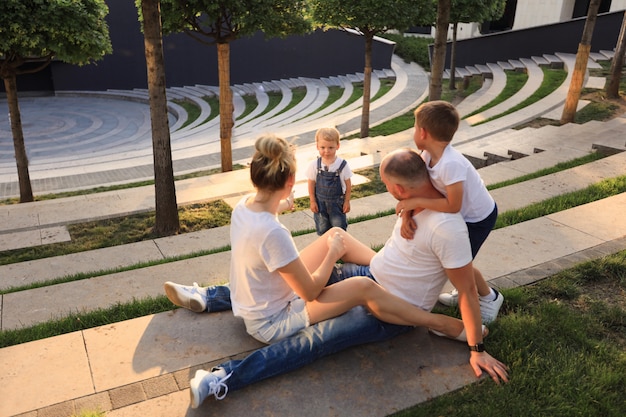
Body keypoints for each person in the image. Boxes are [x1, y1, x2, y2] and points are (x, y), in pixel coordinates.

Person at [164, 147, 509, 409]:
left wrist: (475, 344)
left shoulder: (447, 228)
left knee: (315, 339)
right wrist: (413, 206)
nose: (388, 193)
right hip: (374, 271)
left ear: (399, 189)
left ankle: (223, 377)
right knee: (329, 241)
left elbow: (463, 282)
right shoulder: (420, 195)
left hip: (390, 310)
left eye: (388, 187)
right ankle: (211, 297)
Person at [395, 101, 503, 323]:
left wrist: (413, 201)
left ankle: (489, 297)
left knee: (458, 264)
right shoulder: (425, 155)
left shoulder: (451, 164)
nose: (414, 132)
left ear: (423, 133)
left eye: (415, 128)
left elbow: (453, 204)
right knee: (452, 263)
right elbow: (421, 189)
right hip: (461, 214)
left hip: (478, 218)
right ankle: (464, 289)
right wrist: (407, 213)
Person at [306, 127, 352, 235]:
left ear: (338, 146)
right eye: (323, 147)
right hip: (320, 204)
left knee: (339, 228)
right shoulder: (314, 165)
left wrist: (347, 201)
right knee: (322, 228)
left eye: (331, 147)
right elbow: (311, 183)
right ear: (317, 146)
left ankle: (340, 246)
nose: (326, 151)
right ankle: (326, 247)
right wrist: (312, 200)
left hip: (337, 204)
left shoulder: (342, 165)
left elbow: (348, 185)